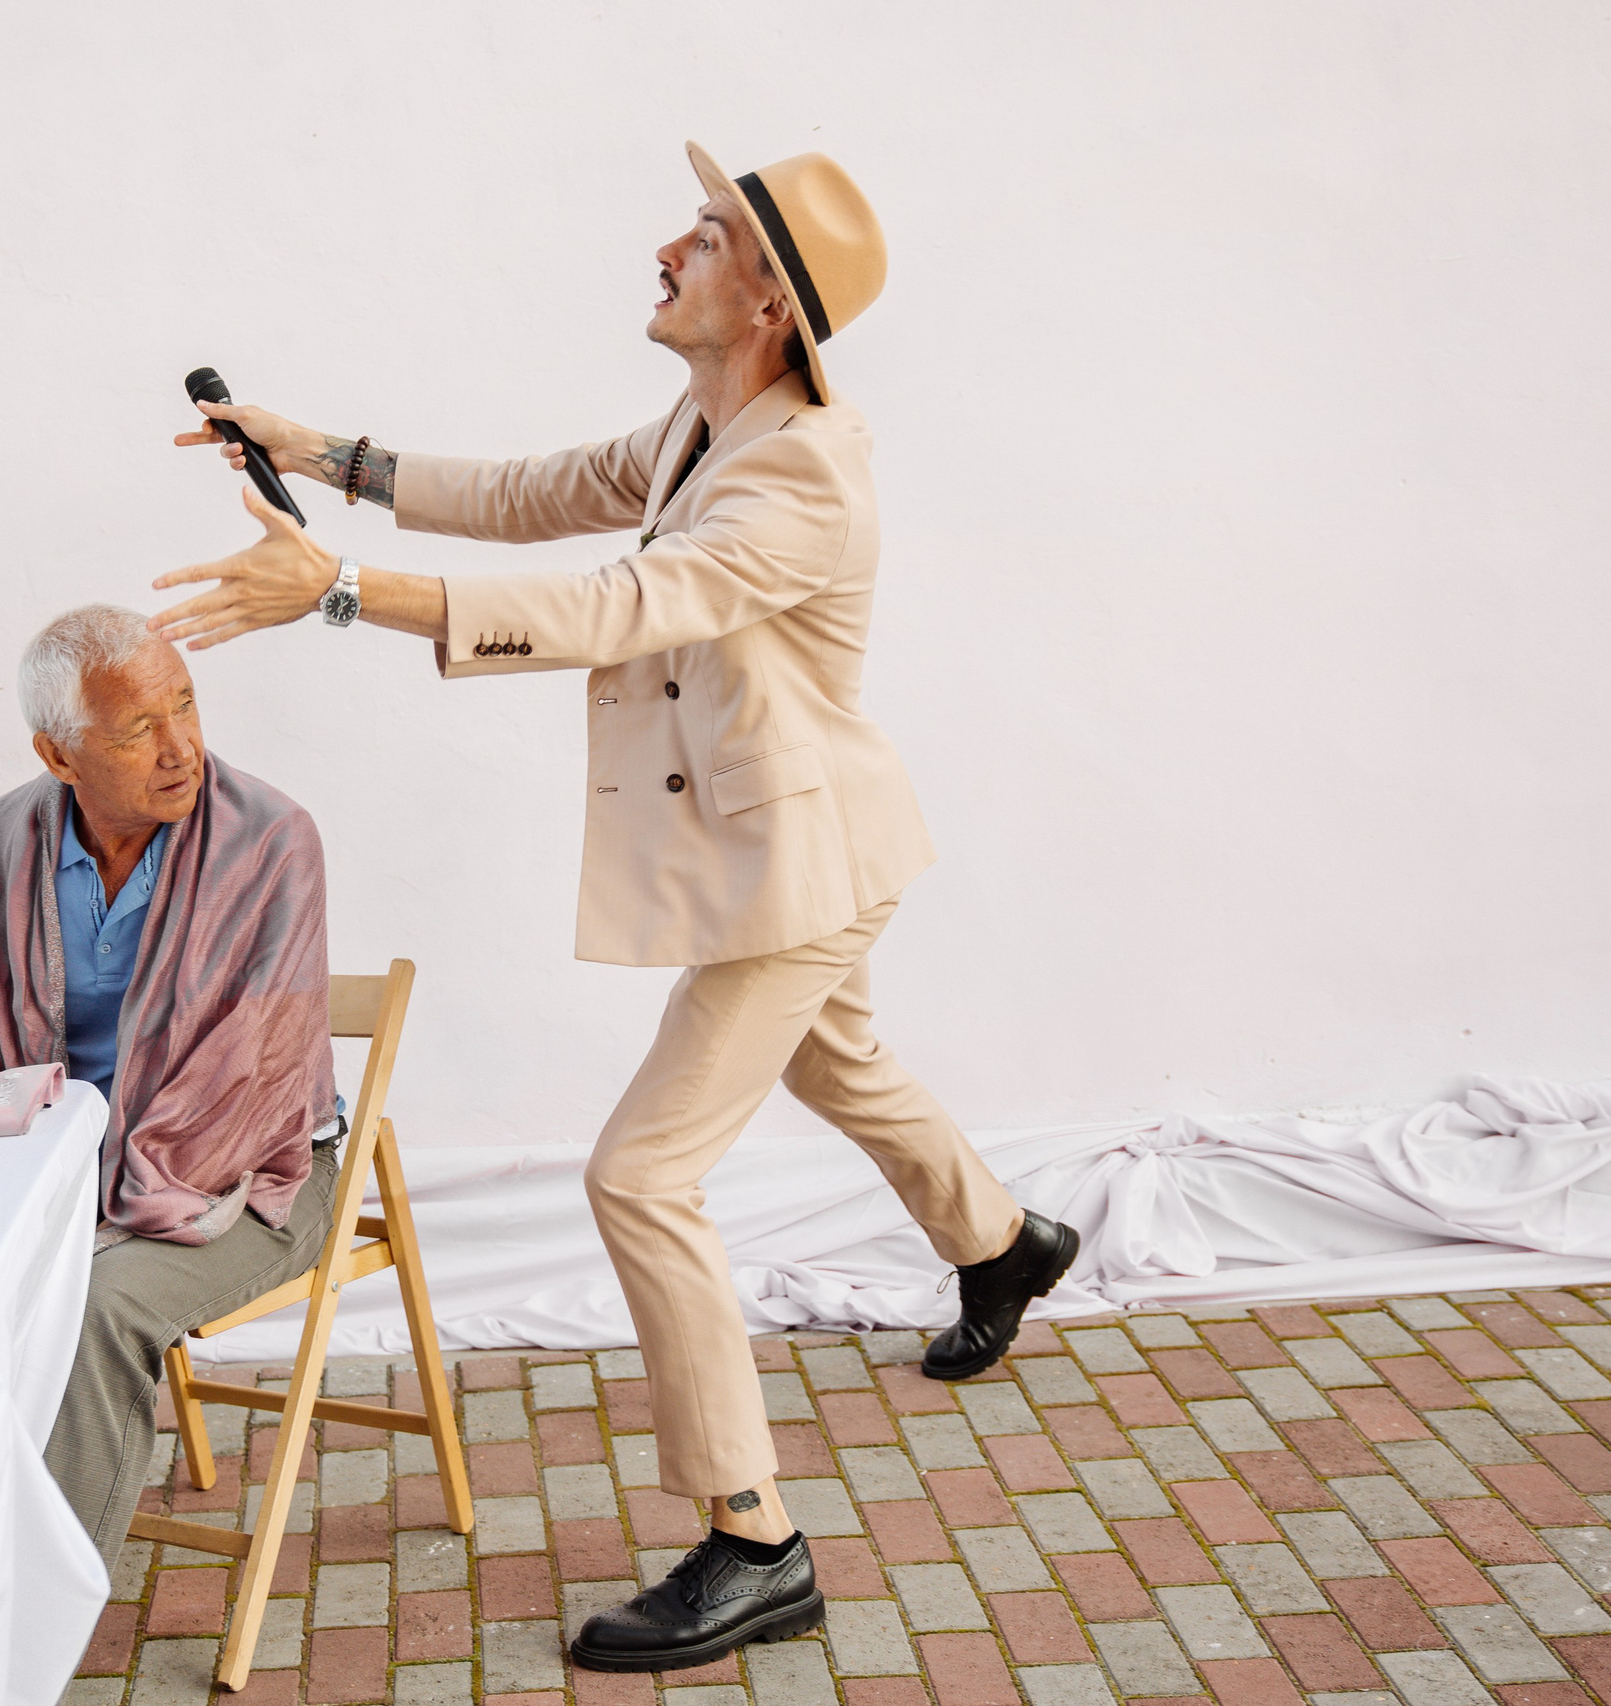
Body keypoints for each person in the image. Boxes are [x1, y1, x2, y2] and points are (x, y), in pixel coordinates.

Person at [151, 145, 1082, 1671]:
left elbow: (623, 604)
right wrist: (323, 453)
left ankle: (753, 1535)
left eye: (706, 234)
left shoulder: (803, 475)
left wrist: (339, 592)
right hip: (782, 849)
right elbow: (540, 497)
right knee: (836, 1059)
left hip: (800, 874)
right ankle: (1004, 1240)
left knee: (641, 1175)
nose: (669, 245)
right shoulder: (704, 424)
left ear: (770, 302)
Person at [0, 604, 341, 1568]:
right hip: (65, 1174)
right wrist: (48, 1194)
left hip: (249, 1176)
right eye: (137, 730)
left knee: (97, 1305)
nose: (181, 747)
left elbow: (253, 1084)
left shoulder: (273, 840)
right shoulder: (6, 837)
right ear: (60, 755)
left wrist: (92, 1210)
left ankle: (29, 1618)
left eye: (186, 707)